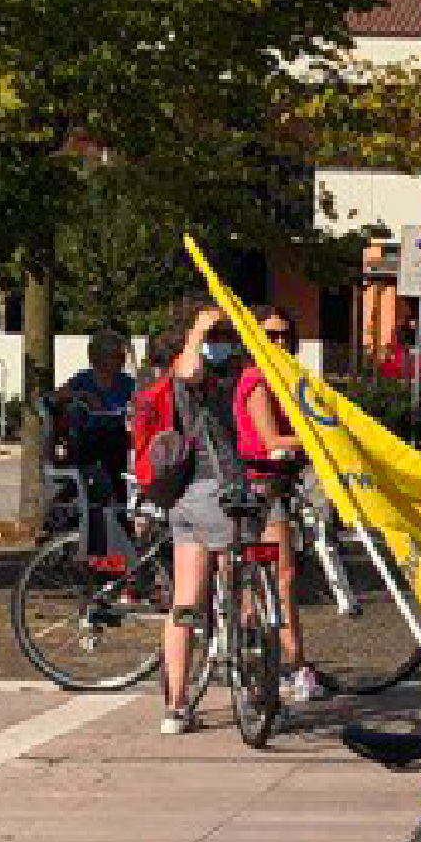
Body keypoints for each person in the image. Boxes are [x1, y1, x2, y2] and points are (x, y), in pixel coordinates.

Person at [155, 304, 255, 736]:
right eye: (217, 338)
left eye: (224, 337)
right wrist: (200, 330)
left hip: (210, 494)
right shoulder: (187, 375)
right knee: (206, 596)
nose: (222, 345)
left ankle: (184, 702)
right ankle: (183, 700)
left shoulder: (231, 375)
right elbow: (190, 368)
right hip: (206, 491)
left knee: (208, 596)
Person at [232, 307, 323, 708]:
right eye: (270, 335)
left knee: (264, 581)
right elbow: (271, 438)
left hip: (268, 489)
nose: (280, 342)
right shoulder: (257, 380)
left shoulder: (280, 379)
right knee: (280, 579)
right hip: (260, 492)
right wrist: (322, 438)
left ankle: (256, 663)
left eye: (286, 334)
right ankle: (292, 667)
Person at [52, 331, 134, 556]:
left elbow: (142, 401)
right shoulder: (84, 380)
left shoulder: (126, 383)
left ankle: (117, 537)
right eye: (115, 356)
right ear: (98, 358)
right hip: (87, 444)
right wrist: (81, 396)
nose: (121, 361)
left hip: (116, 444)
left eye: (121, 356)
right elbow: (55, 397)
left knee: (116, 488)